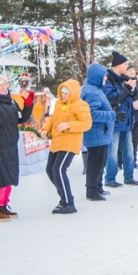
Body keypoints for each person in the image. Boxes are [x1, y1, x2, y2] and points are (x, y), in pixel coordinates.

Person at [0, 74, 35, 222]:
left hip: (10, 145)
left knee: (8, 177)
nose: (4, 87)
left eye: (5, 84)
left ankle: (4, 205)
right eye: (0, 85)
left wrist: (28, 106)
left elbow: (20, 119)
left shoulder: (11, 102)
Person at [40, 80, 92, 214]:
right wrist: (45, 129)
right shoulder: (59, 104)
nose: (63, 96)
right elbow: (52, 119)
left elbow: (86, 123)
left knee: (59, 169)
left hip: (70, 141)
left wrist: (69, 125)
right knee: (50, 170)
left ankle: (68, 202)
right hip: (57, 141)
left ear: (73, 93)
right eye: (62, 93)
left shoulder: (80, 105)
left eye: (66, 93)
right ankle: (64, 197)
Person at [102, 51, 138, 187]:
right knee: (112, 152)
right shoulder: (108, 79)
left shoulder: (124, 79)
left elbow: (132, 96)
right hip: (115, 121)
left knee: (129, 151)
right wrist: (127, 88)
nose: (127, 67)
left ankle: (129, 177)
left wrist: (133, 90)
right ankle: (110, 179)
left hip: (127, 120)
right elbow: (111, 99)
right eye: (125, 64)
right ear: (118, 65)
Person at [80, 64, 116, 201]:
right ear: (97, 77)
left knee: (100, 163)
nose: (106, 79)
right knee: (95, 164)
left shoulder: (94, 89)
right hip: (96, 134)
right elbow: (92, 114)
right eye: (104, 76)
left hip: (100, 134)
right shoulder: (92, 92)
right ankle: (92, 191)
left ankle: (98, 186)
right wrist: (113, 115)